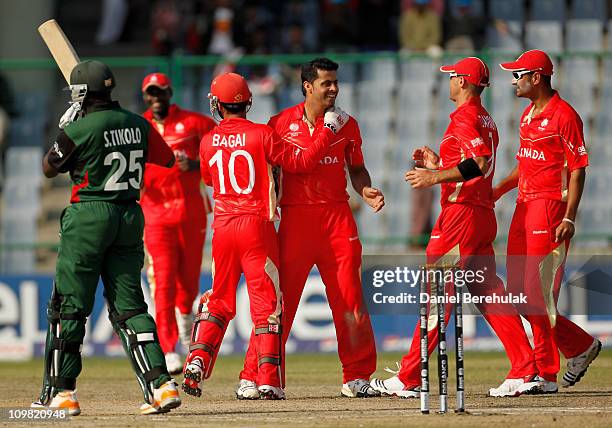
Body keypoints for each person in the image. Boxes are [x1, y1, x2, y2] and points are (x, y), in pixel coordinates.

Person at [370, 57, 541, 398]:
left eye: (451, 77)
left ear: (463, 82)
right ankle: (526, 369)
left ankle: (409, 377)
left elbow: (476, 164)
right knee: (488, 290)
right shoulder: (485, 118)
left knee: (436, 297)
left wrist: (434, 176)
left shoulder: (464, 117)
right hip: (479, 214)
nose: (448, 82)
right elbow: (473, 163)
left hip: (459, 217)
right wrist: (440, 163)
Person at [181, 72, 349, 400]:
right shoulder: (262, 134)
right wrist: (328, 129)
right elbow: (302, 162)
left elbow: (210, 181)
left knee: (219, 299)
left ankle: (198, 360)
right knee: (267, 305)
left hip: (223, 227)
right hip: (256, 227)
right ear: (248, 102)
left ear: (218, 104)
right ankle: (269, 380)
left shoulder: (206, 140)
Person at [31, 60, 180, 415]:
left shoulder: (81, 128)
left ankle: (61, 393)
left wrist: (65, 130)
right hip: (129, 215)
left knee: (69, 307)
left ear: (82, 93)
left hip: (88, 216)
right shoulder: (138, 122)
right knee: (130, 307)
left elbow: (49, 167)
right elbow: (169, 159)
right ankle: (161, 386)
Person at [239, 57, 385, 399]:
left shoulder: (348, 124)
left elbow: (358, 169)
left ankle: (357, 377)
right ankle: (257, 375)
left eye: (335, 82)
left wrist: (365, 190)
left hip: (337, 219)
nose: (333, 89)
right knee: (277, 305)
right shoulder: (279, 123)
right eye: (326, 83)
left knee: (350, 300)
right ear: (308, 86)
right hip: (295, 221)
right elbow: (268, 172)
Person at [495, 49, 601, 393]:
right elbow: (525, 163)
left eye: (517, 75)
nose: (513, 81)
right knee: (517, 293)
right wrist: (499, 190)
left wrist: (569, 215)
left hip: (550, 208)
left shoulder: (565, 115)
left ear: (536, 77)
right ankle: (580, 345)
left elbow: (578, 169)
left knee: (536, 295)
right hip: (523, 206)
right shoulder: (528, 114)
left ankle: (545, 374)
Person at [140, 72, 216, 374]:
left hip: (191, 212)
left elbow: (221, 149)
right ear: (146, 96)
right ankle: (169, 346)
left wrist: (197, 164)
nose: (156, 98)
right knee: (163, 282)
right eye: (151, 93)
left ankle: (185, 331)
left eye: (161, 92)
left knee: (188, 285)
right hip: (155, 215)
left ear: (170, 93)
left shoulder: (195, 123)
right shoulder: (139, 126)